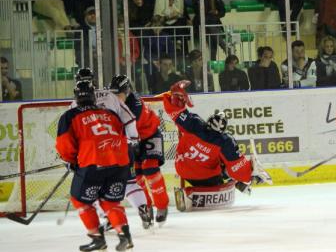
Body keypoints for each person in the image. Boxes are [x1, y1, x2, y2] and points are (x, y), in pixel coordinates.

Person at [163, 80, 272, 211]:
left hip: (182, 170)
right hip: (207, 178)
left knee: (221, 161)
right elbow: (237, 168)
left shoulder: (194, 124)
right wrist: (250, 176)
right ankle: (234, 185)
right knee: (226, 166)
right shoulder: (224, 141)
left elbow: (175, 111)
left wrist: (177, 95)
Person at [56, 81, 134, 252]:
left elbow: (64, 145)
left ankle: (97, 239)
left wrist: (70, 161)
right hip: (120, 162)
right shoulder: (110, 113)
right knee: (110, 202)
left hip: (92, 164)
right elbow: (122, 135)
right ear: (93, 96)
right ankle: (125, 238)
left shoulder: (69, 116)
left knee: (80, 200)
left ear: (76, 97)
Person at [72, 68, 150, 229]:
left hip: (94, 153)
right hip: (119, 148)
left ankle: (108, 219)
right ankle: (143, 207)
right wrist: (133, 141)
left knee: (94, 189)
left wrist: (72, 157)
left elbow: (71, 133)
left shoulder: (74, 104)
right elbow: (129, 119)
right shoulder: (110, 95)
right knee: (129, 182)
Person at [110, 75, 170, 228]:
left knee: (151, 170)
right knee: (136, 176)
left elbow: (124, 128)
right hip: (134, 139)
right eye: (113, 94)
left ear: (127, 91)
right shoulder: (115, 101)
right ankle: (146, 206)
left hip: (149, 136)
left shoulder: (134, 105)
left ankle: (161, 205)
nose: (116, 98)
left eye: (119, 94)